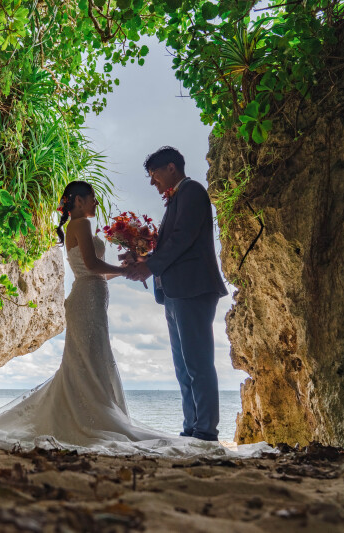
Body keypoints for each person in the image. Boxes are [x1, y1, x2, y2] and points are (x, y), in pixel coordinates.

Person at [0, 180, 267, 458]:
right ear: (79, 201)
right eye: (90, 197)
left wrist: (129, 264)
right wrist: (129, 271)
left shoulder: (78, 227)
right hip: (87, 297)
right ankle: (94, 418)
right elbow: (90, 266)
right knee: (88, 359)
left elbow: (93, 269)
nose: (94, 201)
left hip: (90, 295)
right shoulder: (82, 225)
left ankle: (96, 411)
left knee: (91, 359)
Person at [125, 147, 228, 442]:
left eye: (154, 175)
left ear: (171, 167)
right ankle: (191, 427)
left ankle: (206, 431)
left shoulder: (192, 191)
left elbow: (184, 238)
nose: (152, 183)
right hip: (174, 291)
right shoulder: (175, 200)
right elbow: (172, 242)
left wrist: (149, 267)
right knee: (183, 367)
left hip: (193, 288)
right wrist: (144, 258)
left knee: (197, 363)